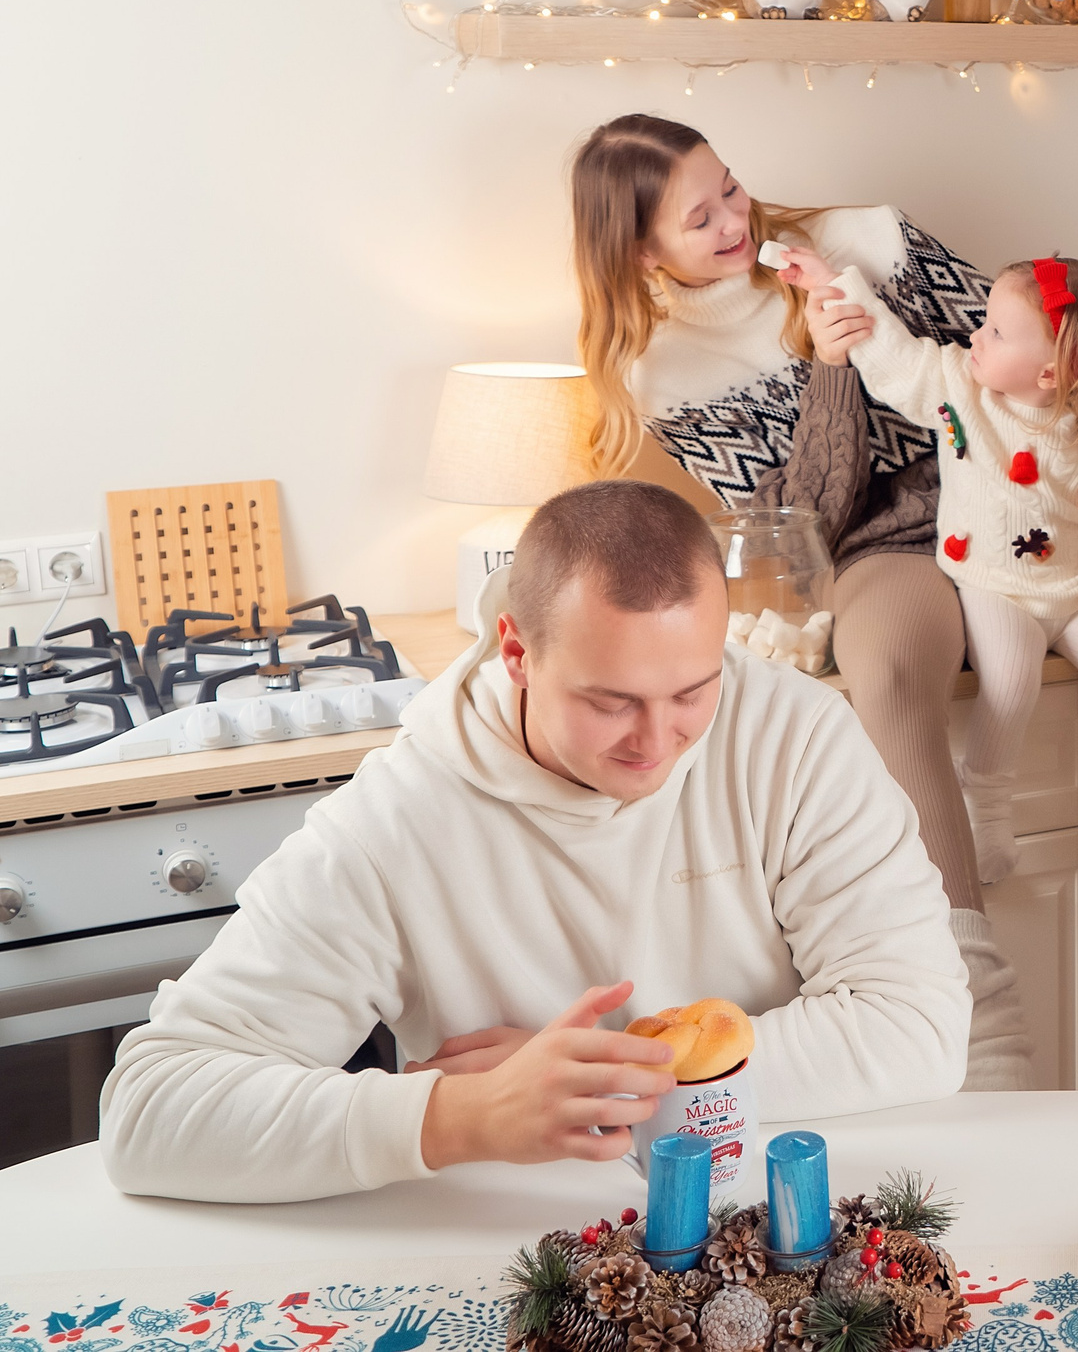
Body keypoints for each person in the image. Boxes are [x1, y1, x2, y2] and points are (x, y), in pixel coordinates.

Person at [100, 481, 969, 1204]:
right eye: (610, 701)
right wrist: (464, 1113)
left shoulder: (797, 736)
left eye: (693, 692)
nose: (659, 741)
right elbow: (149, 1109)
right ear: (516, 651)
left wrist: (601, 1081)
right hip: (518, 1250)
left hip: (785, 1222)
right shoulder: (396, 822)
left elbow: (920, 1026)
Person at [566, 114, 1078, 1089]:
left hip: (1051, 513)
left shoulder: (869, 241)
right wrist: (828, 366)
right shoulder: (669, 372)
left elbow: (1062, 368)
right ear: (642, 249)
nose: (736, 216)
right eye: (701, 216)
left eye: (731, 184)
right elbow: (803, 520)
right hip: (889, 546)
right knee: (888, 668)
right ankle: (980, 1013)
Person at [809, 248, 1078, 885]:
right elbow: (894, 355)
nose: (974, 336)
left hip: (1075, 587)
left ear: (1057, 372)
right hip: (992, 586)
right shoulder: (964, 393)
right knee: (1010, 683)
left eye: (996, 332)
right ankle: (989, 812)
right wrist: (837, 287)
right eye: (983, 322)